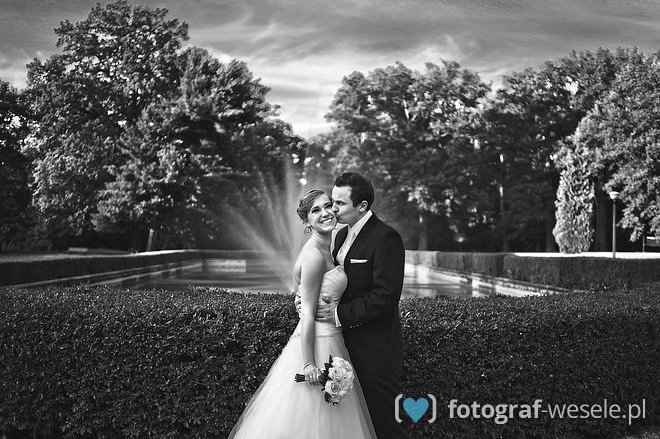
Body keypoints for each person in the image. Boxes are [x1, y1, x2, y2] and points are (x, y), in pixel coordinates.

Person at [228, 189, 376, 439]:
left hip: (333, 337)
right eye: (316, 210)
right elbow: (307, 314)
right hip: (318, 343)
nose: (325, 213)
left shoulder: (330, 248)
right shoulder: (314, 255)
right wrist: (308, 364)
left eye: (328, 206)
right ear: (307, 221)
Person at [308, 172, 408, 439]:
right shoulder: (340, 235)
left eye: (340, 203)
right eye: (332, 202)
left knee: (385, 427)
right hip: (341, 349)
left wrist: (337, 314)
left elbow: (386, 297)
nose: (333, 209)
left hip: (375, 353)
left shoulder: (386, 238)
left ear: (362, 206)